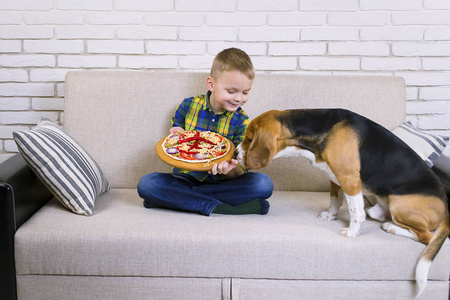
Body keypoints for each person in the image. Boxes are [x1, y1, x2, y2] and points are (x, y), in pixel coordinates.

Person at [137, 48, 274, 216]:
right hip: (185, 178)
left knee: (263, 184)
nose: (239, 98)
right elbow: (174, 145)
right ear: (211, 84)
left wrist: (230, 170)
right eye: (231, 91)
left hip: (222, 183)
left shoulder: (243, 122)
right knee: (147, 184)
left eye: (245, 92)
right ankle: (221, 207)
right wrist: (176, 135)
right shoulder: (188, 106)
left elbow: (240, 170)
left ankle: (176, 200)